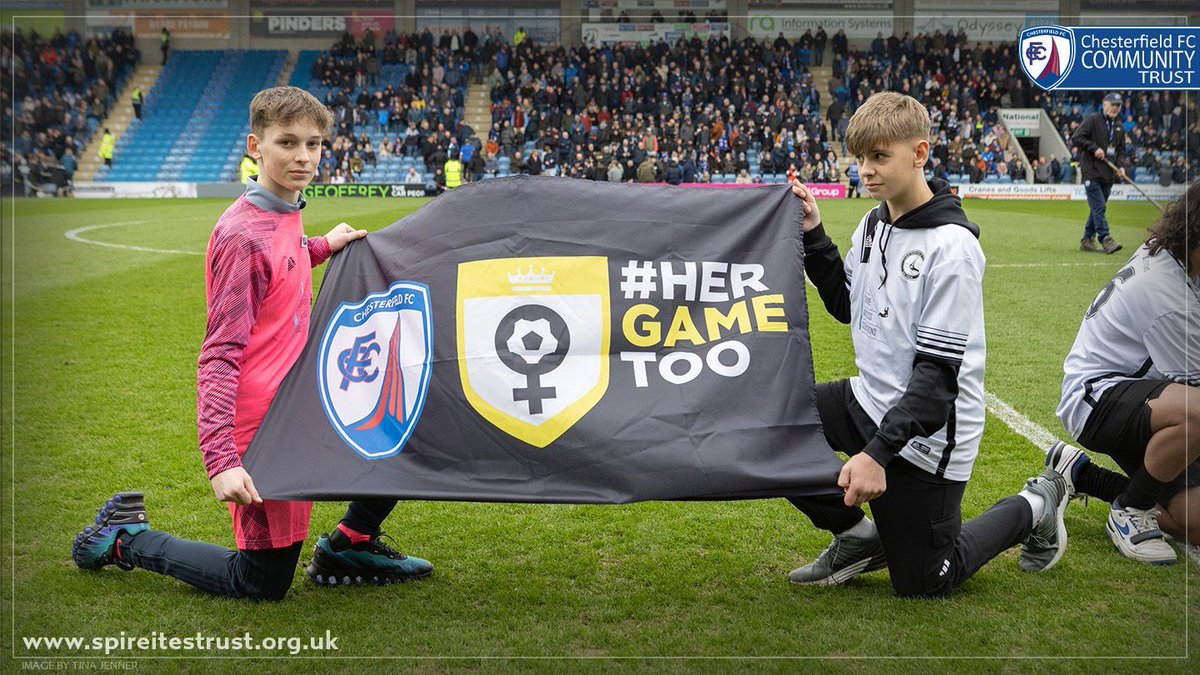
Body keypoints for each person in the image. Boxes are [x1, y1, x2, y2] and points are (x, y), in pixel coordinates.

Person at [71, 87, 433, 601]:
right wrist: (222, 458)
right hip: (264, 425)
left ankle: (352, 541)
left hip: (302, 397)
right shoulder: (242, 236)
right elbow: (220, 354)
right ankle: (126, 538)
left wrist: (321, 245)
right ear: (255, 146)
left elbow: (281, 264)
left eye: (313, 144)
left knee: (394, 427)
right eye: (287, 142)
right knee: (261, 582)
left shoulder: (284, 211)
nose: (303, 157)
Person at [785, 92, 1070, 597]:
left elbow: (936, 383)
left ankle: (1036, 505)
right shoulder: (873, 223)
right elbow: (848, 304)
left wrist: (876, 455)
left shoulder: (952, 249)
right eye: (859, 158)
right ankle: (856, 537)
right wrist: (814, 235)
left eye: (879, 156)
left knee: (924, 581)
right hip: (868, 400)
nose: (865, 170)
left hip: (927, 439)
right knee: (774, 421)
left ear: (919, 154)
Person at [1049, 181, 1199, 565]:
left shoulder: (1176, 256)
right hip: (1096, 398)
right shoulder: (1169, 294)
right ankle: (1131, 512)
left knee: (1194, 522)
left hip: (1144, 395)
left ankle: (1084, 476)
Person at [1071, 93, 1126, 254]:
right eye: (1113, 104)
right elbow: (1076, 137)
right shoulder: (1093, 119)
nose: (1115, 108)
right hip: (1092, 172)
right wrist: (1094, 148)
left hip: (1108, 174)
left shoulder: (1119, 126)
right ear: (1104, 104)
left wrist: (1121, 166)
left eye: (1118, 105)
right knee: (1099, 206)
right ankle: (1105, 238)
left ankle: (1087, 239)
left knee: (1097, 208)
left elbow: (1121, 151)